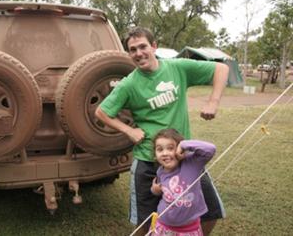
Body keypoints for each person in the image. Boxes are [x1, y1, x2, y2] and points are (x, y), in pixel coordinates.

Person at [94, 27, 228, 235]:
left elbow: (221, 69)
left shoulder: (178, 68)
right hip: (148, 160)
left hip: (185, 159)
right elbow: (102, 112)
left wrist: (213, 101)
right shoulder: (129, 84)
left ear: (154, 46)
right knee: (144, 223)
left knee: (211, 213)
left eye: (142, 46)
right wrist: (129, 131)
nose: (138, 53)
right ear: (129, 54)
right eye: (132, 50)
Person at [150, 128, 216, 236]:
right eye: (160, 149)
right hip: (162, 226)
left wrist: (184, 144)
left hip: (187, 230)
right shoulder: (160, 171)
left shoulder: (191, 164)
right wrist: (155, 190)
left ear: (179, 150)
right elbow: (162, 190)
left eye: (170, 148)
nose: (165, 153)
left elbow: (210, 149)